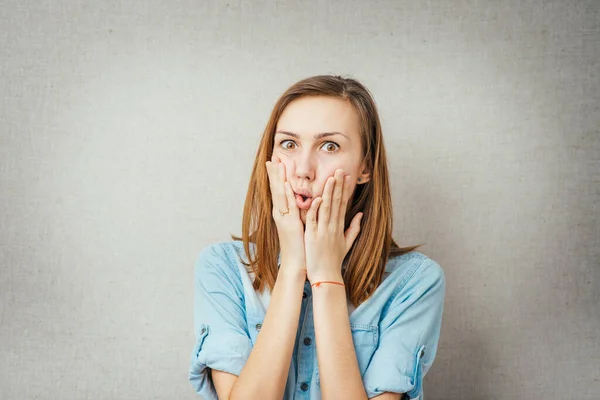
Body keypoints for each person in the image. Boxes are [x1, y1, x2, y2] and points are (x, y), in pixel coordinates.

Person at [188, 75, 445, 400]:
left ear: (365, 167)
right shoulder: (222, 267)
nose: (303, 170)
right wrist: (293, 267)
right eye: (289, 144)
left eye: (329, 146)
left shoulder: (415, 282)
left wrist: (326, 278)